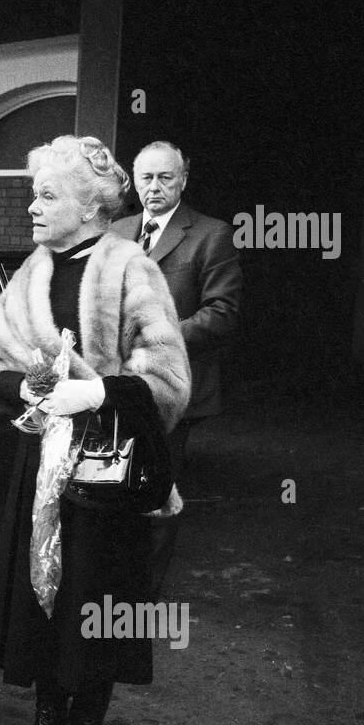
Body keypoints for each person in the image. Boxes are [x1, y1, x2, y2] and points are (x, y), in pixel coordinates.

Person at [0, 135, 190, 725]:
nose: (32, 209)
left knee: (90, 612)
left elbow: (170, 381)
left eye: (47, 195)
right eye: (32, 195)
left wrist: (96, 391)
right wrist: (26, 389)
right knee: (40, 608)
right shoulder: (33, 271)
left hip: (106, 479)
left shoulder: (131, 267)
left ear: (92, 204)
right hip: (39, 469)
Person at [110, 141, 241, 596]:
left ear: (183, 180)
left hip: (171, 389)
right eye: (145, 177)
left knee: (156, 490)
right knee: (113, 484)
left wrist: (158, 337)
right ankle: (112, 582)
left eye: (166, 177)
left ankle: (143, 596)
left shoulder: (211, 234)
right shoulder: (118, 230)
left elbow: (222, 312)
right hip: (114, 386)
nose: (154, 187)